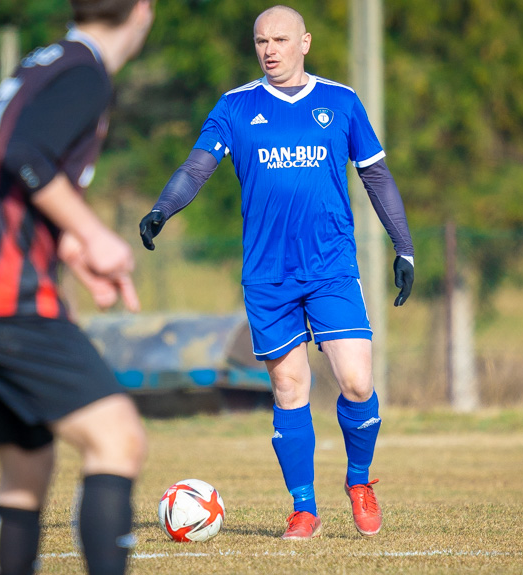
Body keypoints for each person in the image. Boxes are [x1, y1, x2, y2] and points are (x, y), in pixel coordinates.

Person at [139, 5, 414, 540]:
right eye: (261, 40)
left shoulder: (341, 102)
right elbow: (197, 166)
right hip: (268, 275)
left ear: (305, 43)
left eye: (281, 39)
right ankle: (303, 507)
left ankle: (359, 481)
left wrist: (403, 247)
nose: (269, 49)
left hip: (331, 266)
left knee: (357, 382)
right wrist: (162, 208)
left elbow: (377, 176)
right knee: (290, 387)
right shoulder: (235, 107)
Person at [0, 1, 154, 573]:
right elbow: (25, 156)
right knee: (118, 439)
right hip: (9, 299)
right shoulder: (86, 71)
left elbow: (15, 179)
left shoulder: (43, 63)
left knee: (25, 473)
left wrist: (69, 247)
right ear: (143, 9)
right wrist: (96, 234)